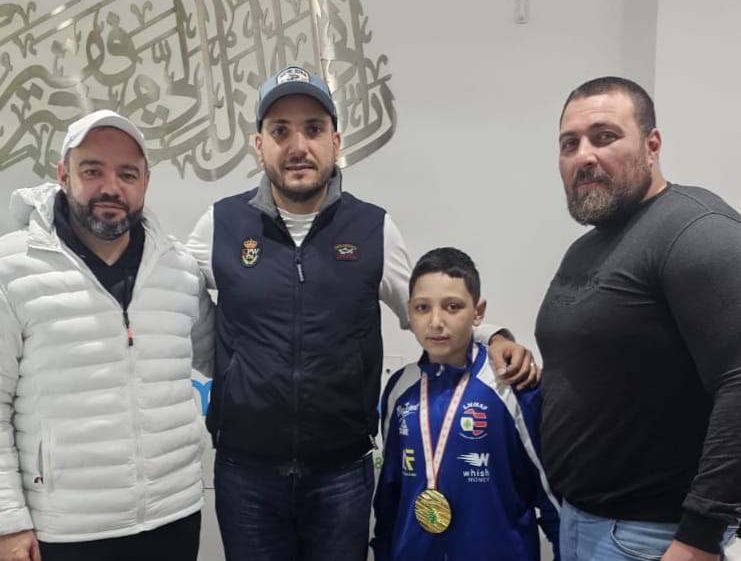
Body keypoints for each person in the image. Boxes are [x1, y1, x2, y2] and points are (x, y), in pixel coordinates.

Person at [185, 65, 539, 561]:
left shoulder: (374, 228)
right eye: (281, 131)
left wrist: (494, 336)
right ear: (259, 145)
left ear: (335, 141)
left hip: (341, 474)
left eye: (313, 129)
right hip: (246, 474)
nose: (298, 146)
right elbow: (171, 299)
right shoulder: (220, 224)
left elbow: (427, 311)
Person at [535, 76, 741, 560]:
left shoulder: (696, 231)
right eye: (569, 144)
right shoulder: (588, 245)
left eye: (604, 136)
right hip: (579, 522)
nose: (584, 156)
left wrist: (698, 539)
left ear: (652, 145)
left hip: (655, 539)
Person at [0, 110, 214, 561]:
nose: (111, 187)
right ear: (64, 175)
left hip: (173, 515)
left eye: (127, 174)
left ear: (145, 183)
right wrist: (8, 522)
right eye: (92, 171)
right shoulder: (12, 269)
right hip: (65, 530)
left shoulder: (179, 269)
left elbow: (221, 358)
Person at [371, 247, 560, 561]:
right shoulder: (399, 388)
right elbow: (390, 496)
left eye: (452, 307)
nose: (436, 322)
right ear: (409, 312)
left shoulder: (510, 384)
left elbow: (551, 495)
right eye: (422, 308)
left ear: (478, 312)